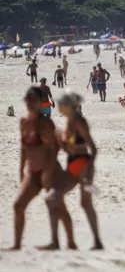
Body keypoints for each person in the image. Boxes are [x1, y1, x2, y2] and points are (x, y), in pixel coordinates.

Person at [7, 87, 73, 250]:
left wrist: (48, 171)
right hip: (32, 172)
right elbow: (23, 148)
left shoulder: (45, 123)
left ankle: (69, 242)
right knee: (18, 206)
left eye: (33, 100)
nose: (29, 103)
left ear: (39, 103)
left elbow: (53, 149)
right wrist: (21, 170)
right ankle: (16, 245)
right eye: (27, 100)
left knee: (58, 206)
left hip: (50, 170)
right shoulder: (23, 122)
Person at [56, 91, 104, 250]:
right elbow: (68, 146)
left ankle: (95, 241)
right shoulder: (70, 121)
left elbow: (93, 148)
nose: (58, 106)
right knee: (56, 196)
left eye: (61, 104)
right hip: (73, 163)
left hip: (83, 164)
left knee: (85, 203)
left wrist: (88, 173)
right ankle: (69, 241)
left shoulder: (79, 122)